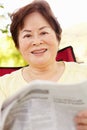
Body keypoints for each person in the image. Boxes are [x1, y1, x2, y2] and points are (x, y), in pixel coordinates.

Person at [0, 0, 87, 129]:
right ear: (17, 45)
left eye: (43, 33)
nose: (36, 41)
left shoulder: (84, 74)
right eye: (27, 35)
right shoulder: (4, 86)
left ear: (58, 36)